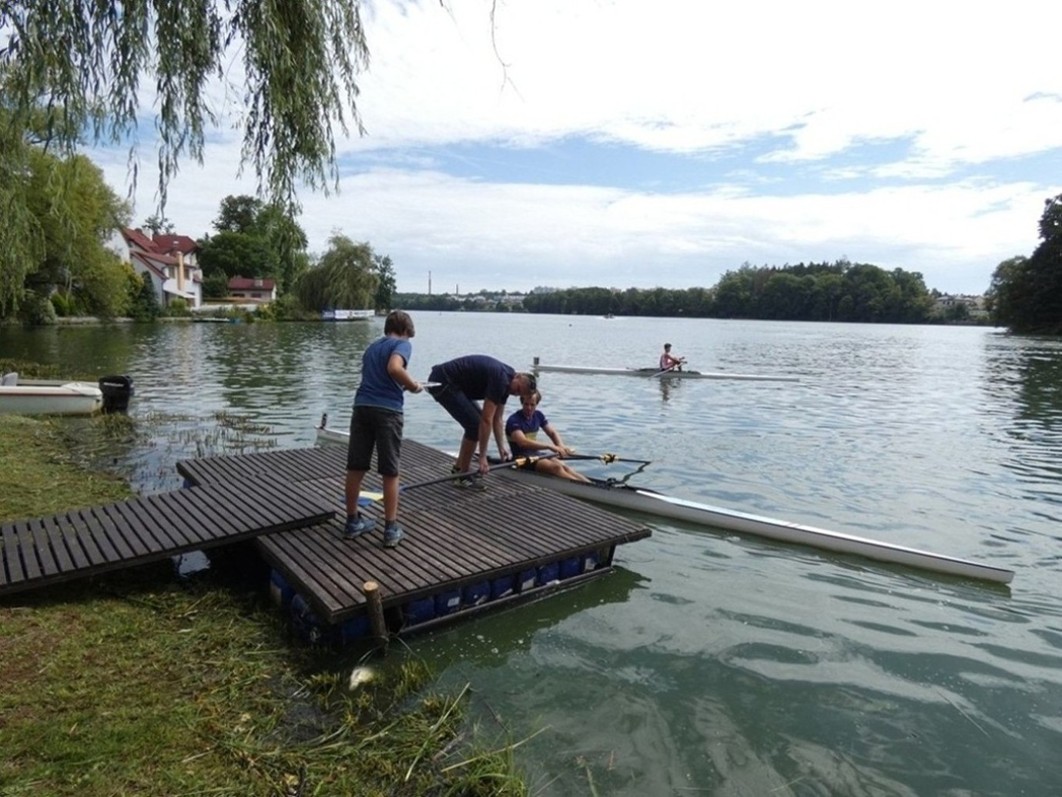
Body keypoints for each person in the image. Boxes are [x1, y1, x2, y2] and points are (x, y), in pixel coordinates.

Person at [343, 310, 421, 548]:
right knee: (390, 470)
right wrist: (413, 385)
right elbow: (394, 368)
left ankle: (352, 522)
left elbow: (376, 377)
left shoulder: (372, 347)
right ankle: (390, 528)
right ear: (405, 331)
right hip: (387, 411)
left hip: (362, 407)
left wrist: (401, 385)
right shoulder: (402, 345)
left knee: (356, 466)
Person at [427, 355, 537, 488]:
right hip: (443, 381)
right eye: (517, 389)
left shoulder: (508, 382)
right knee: (475, 425)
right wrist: (482, 456)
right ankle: (462, 475)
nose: (515, 393)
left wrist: (501, 447)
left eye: (518, 394)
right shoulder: (501, 380)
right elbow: (486, 419)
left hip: (456, 384)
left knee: (475, 424)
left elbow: (497, 419)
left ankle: (459, 469)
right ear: (517, 376)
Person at [506, 390, 591, 483]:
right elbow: (523, 442)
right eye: (526, 404)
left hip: (535, 454)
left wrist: (561, 446)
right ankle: (582, 487)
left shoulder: (538, 415)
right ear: (522, 402)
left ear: (537, 404)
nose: (529, 408)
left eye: (532, 405)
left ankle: (590, 484)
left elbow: (552, 433)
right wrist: (549, 446)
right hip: (521, 458)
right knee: (556, 468)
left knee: (565, 467)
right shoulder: (514, 420)